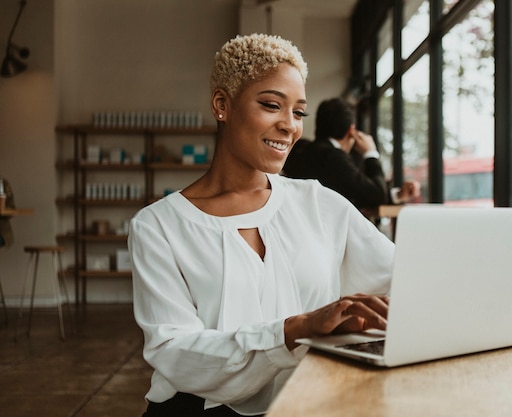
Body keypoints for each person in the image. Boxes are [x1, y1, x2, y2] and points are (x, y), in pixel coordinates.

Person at [128, 33, 395, 417]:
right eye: (272, 105)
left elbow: (406, 280)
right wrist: (294, 329)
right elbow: (175, 353)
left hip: (306, 404)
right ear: (223, 105)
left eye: (299, 112)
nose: (290, 126)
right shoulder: (158, 227)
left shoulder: (320, 204)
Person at [281, 97, 419, 214]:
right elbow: (377, 195)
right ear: (352, 130)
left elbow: (359, 190)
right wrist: (371, 154)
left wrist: (398, 195)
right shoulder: (333, 157)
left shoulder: (303, 151)